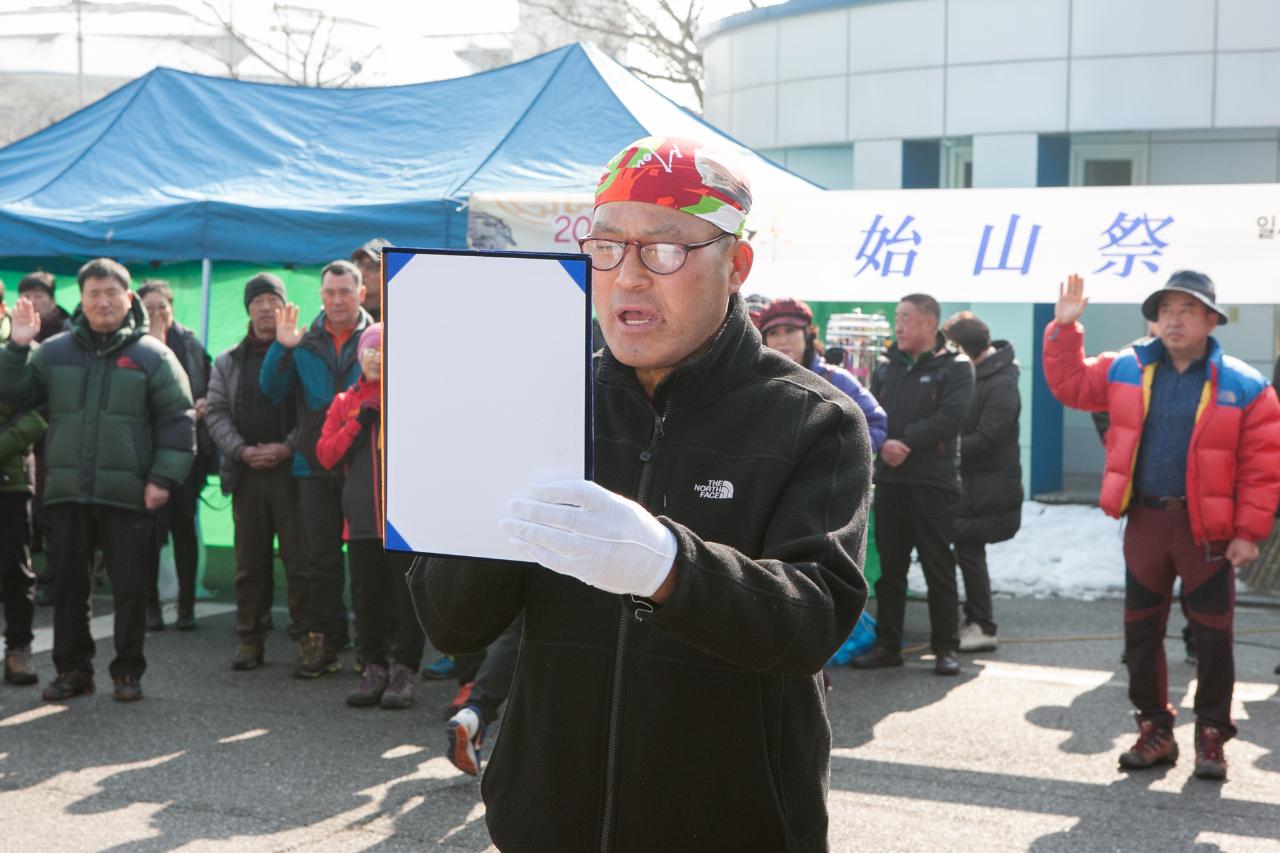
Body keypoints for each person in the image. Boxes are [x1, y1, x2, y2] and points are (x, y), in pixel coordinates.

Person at [410, 136, 871, 850]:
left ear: (736, 264)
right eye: (605, 248)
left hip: (734, 825)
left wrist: (666, 564)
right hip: (546, 823)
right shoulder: (546, 395)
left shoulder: (811, 418)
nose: (627, 277)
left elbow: (813, 619)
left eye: (663, 250)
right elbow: (451, 622)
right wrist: (482, 492)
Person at [1044, 270, 1280, 780]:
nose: (1173, 320)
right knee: (1140, 635)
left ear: (1211, 319)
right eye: (1165, 310)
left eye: (1186, 310)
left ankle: (1212, 735)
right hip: (1147, 522)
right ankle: (1155, 730)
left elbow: (1263, 466)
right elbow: (1068, 385)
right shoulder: (1125, 367)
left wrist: (1248, 532)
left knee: (1214, 639)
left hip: (1208, 532)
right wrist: (1064, 329)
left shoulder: (1245, 384)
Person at [0, 258, 195, 703]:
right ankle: (73, 670)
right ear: (82, 301)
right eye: (93, 294)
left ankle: (127, 671)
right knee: (69, 585)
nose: (103, 302)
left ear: (128, 299)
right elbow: (9, 395)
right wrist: (17, 347)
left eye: (111, 293)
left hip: (129, 492)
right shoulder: (53, 352)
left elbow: (177, 419)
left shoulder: (153, 355)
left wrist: (163, 477)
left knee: (129, 587)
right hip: (67, 489)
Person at [261, 259, 373, 678]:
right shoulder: (303, 341)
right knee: (320, 561)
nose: (337, 299)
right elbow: (271, 390)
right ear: (320, 296)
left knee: (369, 565)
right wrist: (281, 346)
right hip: (314, 467)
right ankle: (326, 641)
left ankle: (372, 650)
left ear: (362, 294)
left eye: (346, 291)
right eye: (330, 292)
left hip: (366, 468)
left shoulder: (379, 338)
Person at [852, 293, 974, 676]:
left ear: (928, 322)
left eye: (905, 317)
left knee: (938, 565)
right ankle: (888, 644)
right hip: (891, 479)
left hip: (933, 481)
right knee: (891, 568)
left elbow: (953, 417)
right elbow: (874, 411)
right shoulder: (888, 364)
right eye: (896, 318)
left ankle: (945, 648)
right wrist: (885, 444)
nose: (898, 325)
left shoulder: (956, 366)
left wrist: (907, 442)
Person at [205, 273, 310, 671]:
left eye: (273, 300)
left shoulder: (302, 353)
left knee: (299, 560)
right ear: (247, 308)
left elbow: (312, 409)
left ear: (285, 306)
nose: (266, 308)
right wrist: (242, 450)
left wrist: (287, 446)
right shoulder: (228, 359)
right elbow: (214, 412)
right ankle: (249, 638)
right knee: (249, 563)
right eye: (258, 301)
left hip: (292, 472)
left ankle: (306, 636)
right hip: (247, 473)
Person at [315, 323, 423, 709]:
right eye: (369, 349)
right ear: (359, 355)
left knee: (407, 599)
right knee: (366, 598)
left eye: (382, 349)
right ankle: (373, 667)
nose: (375, 356)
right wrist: (358, 421)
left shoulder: (408, 396)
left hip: (404, 523)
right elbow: (325, 453)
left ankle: (403, 670)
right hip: (360, 522)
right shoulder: (345, 400)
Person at [941, 312, 1022, 653]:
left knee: (969, 550)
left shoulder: (1001, 382)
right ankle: (973, 620)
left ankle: (982, 624)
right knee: (966, 550)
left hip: (988, 488)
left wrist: (943, 448)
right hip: (972, 486)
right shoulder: (978, 373)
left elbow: (989, 437)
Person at [137, 280, 213, 632]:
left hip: (186, 452)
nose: (156, 313)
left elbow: (210, 386)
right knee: (151, 534)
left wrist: (203, 405)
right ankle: (150, 605)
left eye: (162, 306)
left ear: (172, 308)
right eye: (149, 306)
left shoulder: (191, 345)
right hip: (146, 456)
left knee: (185, 530)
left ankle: (186, 606)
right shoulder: (133, 346)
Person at [758, 297, 888, 451]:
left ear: (808, 333)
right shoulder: (758, 383)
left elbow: (875, 423)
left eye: (790, 330)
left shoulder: (837, 380)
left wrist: (841, 459)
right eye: (773, 333)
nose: (782, 340)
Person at [0, 279, 47, 685]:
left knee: (16, 570)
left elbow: (40, 411)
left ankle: (18, 648)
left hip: (9, 478)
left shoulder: (26, 349)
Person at [16, 271, 70, 602]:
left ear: (52, 298)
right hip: (23, 438)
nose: (35, 300)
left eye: (41, 294)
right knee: (24, 512)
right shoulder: (14, 333)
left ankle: (53, 578)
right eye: (28, 294)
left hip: (56, 435)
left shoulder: (69, 332)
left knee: (52, 511)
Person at [351, 239, 390, 322]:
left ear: (389, 273)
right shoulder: (343, 310)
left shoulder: (400, 313)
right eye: (359, 264)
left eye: (371, 267)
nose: (362, 273)